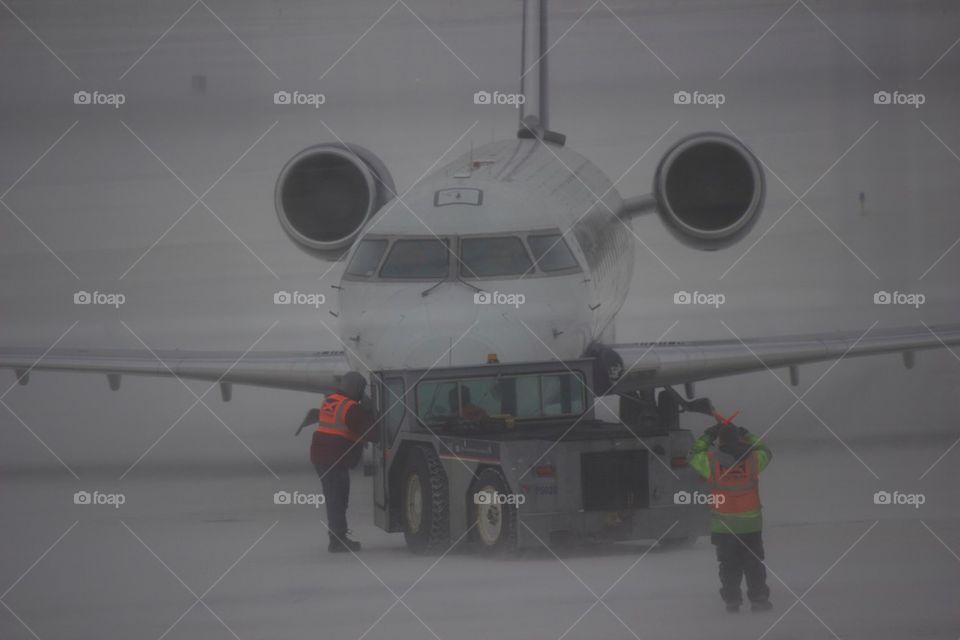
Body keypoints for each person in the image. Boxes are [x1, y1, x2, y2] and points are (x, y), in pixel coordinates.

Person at [689, 418, 773, 612]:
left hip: (724, 525)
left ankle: (732, 600)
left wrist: (708, 434)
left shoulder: (711, 462)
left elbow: (693, 454)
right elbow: (766, 451)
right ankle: (759, 598)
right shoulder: (753, 460)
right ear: (739, 440)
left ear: (721, 442)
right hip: (751, 525)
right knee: (753, 563)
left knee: (728, 565)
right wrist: (748, 434)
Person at [311, 371, 377, 553]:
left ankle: (337, 537)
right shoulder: (351, 408)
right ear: (356, 389)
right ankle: (337, 540)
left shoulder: (331, 400)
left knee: (335, 498)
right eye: (362, 390)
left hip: (322, 457)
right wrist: (371, 412)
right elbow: (373, 434)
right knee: (337, 499)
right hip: (334, 459)